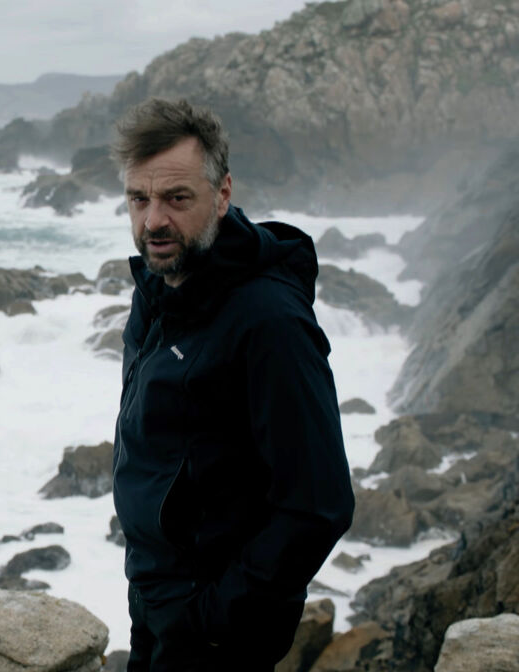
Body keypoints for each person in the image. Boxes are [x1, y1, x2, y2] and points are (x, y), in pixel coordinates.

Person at [109, 98, 355, 671]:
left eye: (177, 198)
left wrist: (214, 620)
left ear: (222, 194)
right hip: (156, 599)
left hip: (215, 632)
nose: (153, 221)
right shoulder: (159, 288)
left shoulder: (269, 322)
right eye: (139, 199)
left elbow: (319, 503)